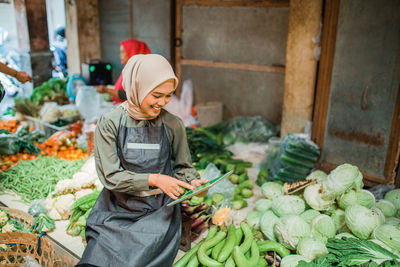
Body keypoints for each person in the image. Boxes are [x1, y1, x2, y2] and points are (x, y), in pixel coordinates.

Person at [77, 54, 207, 267]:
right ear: (137, 87)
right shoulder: (110, 123)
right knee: (95, 260)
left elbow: (182, 167)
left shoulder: (173, 124)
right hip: (115, 209)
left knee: (138, 259)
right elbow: (111, 176)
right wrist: (155, 179)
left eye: (168, 95)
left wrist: (193, 183)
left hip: (158, 212)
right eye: (156, 95)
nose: (163, 103)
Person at [95, 39, 151, 105]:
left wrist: (106, 90)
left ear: (132, 52)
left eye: (123, 52)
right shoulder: (129, 68)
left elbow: (129, 95)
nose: (120, 55)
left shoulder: (138, 71)